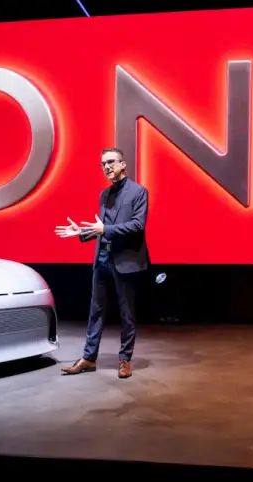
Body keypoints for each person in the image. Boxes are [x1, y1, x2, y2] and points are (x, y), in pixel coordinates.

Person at [55, 147, 149, 379]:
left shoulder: (138, 192)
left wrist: (104, 229)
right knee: (95, 311)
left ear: (123, 164)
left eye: (111, 162)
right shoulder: (104, 194)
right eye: (103, 164)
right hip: (103, 259)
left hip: (126, 260)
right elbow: (101, 229)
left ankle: (125, 359)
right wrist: (81, 232)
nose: (107, 167)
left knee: (127, 313)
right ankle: (89, 358)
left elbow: (137, 225)